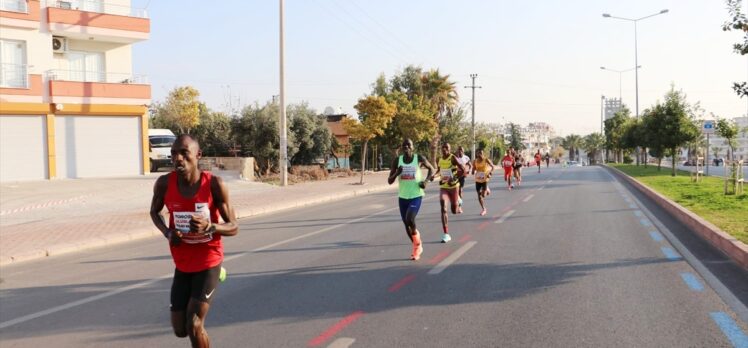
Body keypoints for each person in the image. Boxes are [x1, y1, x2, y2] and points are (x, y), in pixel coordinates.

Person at [150, 135, 238, 348]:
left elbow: (234, 226)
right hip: (182, 262)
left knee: (194, 324)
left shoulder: (215, 184)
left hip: (209, 259)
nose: (178, 158)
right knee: (180, 329)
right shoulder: (164, 183)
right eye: (173, 154)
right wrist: (168, 233)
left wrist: (211, 227)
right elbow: (154, 212)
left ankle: (217, 272)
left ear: (198, 155)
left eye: (184, 153)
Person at [387, 139, 435, 260]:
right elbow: (389, 181)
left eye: (409, 145)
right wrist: (397, 173)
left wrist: (426, 181)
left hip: (416, 195)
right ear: (402, 148)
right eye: (404, 145)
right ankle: (417, 245)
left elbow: (432, 169)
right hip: (403, 197)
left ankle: (417, 246)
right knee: (406, 225)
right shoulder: (397, 161)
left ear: (412, 147)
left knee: (410, 218)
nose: (406, 147)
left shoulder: (418, 158)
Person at [437, 143, 466, 243]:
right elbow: (438, 170)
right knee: (443, 208)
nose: (444, 149)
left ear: (449, 149)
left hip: (454, 187)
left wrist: (453, 178)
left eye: (447, 148)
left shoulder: (453, 158)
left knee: (454, 210)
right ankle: (446, 234)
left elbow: (463, 169)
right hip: (444, 187)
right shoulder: (440, 159)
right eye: (443, 148)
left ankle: (458, 200)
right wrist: (433, 176)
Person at [472, 148, 495, 216]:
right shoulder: (475, 161)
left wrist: (490, 173)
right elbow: (474, 169)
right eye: (479, 153)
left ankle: (487, 189)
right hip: (478, 179)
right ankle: (483, 209)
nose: (480, 155)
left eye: (481, 153)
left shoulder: (486, 160)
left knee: (483, 195)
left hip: (485, 179)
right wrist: (473, 171)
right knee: (479, 195)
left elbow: (493, 167)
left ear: (483, 154)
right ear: (477, 154)